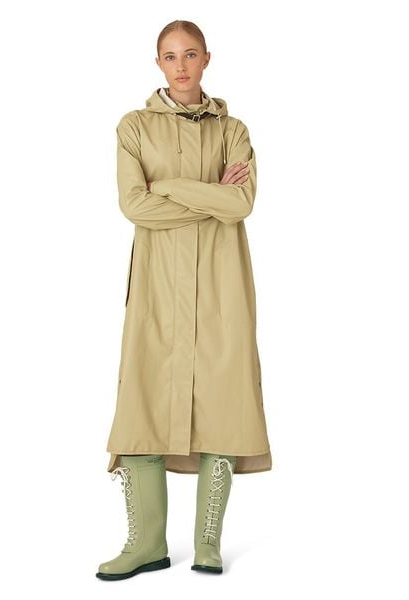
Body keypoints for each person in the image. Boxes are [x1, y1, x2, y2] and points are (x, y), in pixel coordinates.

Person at [96, 20, 272, 581]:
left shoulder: (233, 130)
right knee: (143, 400)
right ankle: (145, 543)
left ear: (206, 59)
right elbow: (135, 206)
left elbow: (240, 204)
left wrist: (168, 186)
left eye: (190, 54)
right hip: (156, 285)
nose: (181, 66)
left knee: (224, 399)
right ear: (158, 63)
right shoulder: (134, 126)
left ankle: (208, 544)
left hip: (221, 282)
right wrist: (212, 193)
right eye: (170, 56)